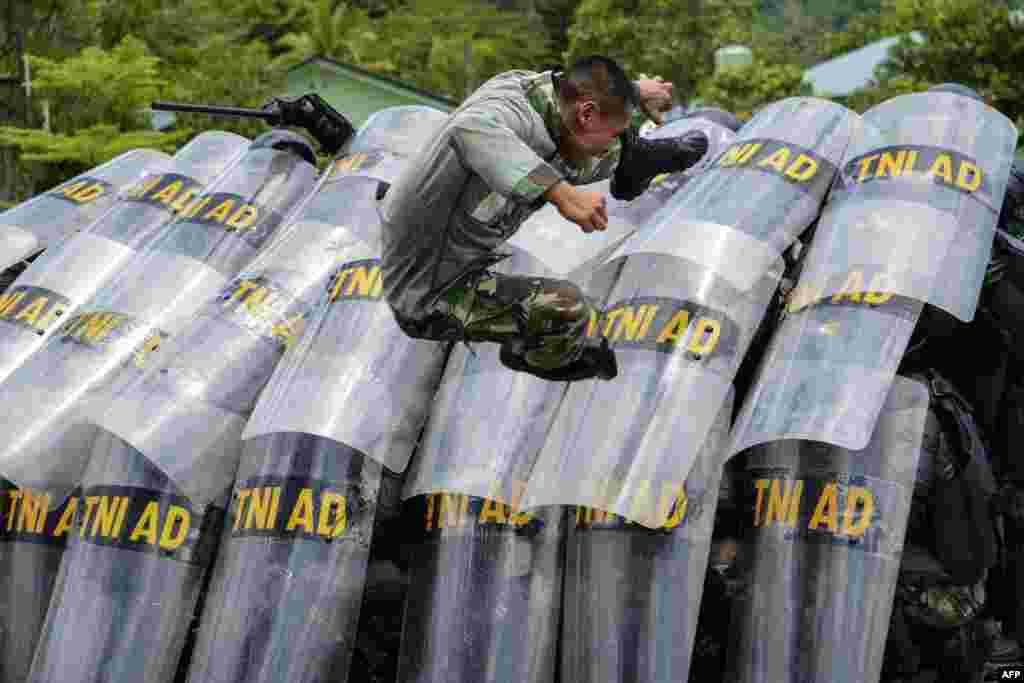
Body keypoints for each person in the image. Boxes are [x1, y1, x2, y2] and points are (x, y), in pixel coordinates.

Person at [379, 56, 710, 382]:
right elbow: (470, 127)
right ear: (587, 112)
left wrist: (634, 92)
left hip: (460, 250)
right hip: (428, 292)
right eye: (616, 133)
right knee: (571, 313)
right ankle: (531, 349)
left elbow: (580, 88)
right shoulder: (503, 114)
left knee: (579, 145)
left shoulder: (547, 96)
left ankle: (633, 160)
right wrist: (560, 193)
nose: (611, 142)